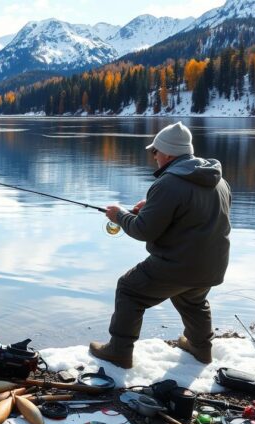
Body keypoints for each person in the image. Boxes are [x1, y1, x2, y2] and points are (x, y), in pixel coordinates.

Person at [90, 121, 231, 369]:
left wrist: (119, 215)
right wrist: (153, 206)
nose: (153, 156)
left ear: (167, 152)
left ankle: (119, 351)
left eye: (154, 151)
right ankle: (201, 348)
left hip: (177, 265)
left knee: (129, 289)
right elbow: (195, 214)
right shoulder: (219, 181)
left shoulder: (168, 183)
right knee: (192, 300)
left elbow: (142, 230)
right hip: (212, 265)